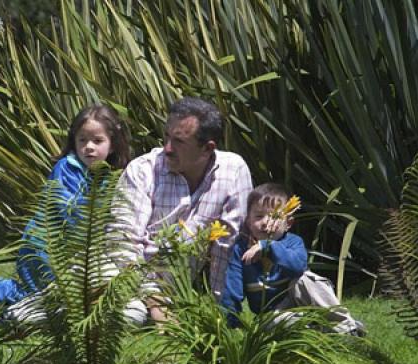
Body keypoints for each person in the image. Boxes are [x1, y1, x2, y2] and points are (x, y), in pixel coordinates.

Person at [0, 102, 131, 317]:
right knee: (41, 294)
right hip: (43, 247)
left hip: (70, 252)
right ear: (74, 141)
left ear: (112, 145)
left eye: (97, 141)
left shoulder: (108, 177)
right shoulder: (67, 168)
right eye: (82, 140)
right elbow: (68, 209)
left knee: (51, 298)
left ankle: (1, 299)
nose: (89, 146)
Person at [110, 96, 253, 320]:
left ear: (207, 149)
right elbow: (122, 244)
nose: (167, 148)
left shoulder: (233, 171)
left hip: (183, 290)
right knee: (131, 316)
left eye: (178, 141)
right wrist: (155, 302)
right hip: (126, 278)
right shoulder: (142, 171)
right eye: (166, 137)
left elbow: (226, 245)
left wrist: (220, 312)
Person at [220, 183, 366, 335]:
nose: (266, 222)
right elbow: (232, 289)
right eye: (259, 216)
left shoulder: (293, 242)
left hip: (300, 302)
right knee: (274, 323)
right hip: (272, 313)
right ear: (248, 222)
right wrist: (231, 323)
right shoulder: (240, 250)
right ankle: (319, 330)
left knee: (304, 278)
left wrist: (268, 247)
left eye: (274, 216)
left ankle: (347, 328)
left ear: (288, 223)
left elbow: (298, 266)